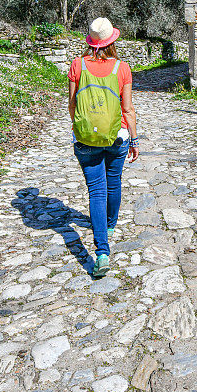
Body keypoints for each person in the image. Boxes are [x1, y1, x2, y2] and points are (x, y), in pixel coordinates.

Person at [68, 17, 139, 277]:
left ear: (91, 41)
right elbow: (128, 109)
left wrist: (80, 128)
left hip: (86, 139)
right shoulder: (123, 68)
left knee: (96, 191)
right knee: (114, 182)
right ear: (112, 41)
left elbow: (72, 104)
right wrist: (134, 138)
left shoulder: (77, 65)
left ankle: (101, 254)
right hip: (117, 136)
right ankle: (109, 226)